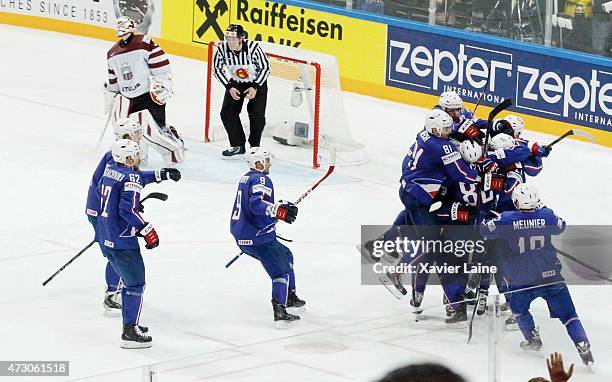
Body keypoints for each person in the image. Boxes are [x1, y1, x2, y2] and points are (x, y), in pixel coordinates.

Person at [480, 184, 594, 366]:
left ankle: (533, 341)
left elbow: (484, 230)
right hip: (550, 276)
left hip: (521, 280)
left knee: (519, 310)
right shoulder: (547, 215)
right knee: (569, 315)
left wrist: (488, 218)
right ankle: (582, 343)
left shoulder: (506, 219)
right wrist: (543, 212)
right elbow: (561, 226)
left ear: (516, 201)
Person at [86, 118, 181, 315]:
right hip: (105, 216)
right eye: (137, 132)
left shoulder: (116, 157)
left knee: (114, 256)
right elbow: (122, 194)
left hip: (103, 214)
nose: (140, 135)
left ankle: (114, 292)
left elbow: (125, 184)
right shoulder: (118, 158)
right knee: (117, 256)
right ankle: (112, 294)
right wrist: (138, 224)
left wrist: (159, 174)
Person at [97, 139, 180, 348]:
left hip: (107, 236)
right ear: (128, 158)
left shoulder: (110, 171)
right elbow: (127, 210)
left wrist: (160, 174)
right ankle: (129, 332)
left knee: (126, 281)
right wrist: (146, 228)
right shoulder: (130, 175)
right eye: (135, 155)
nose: (138, 158)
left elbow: (132, 181)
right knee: (135, 284)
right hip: (123, 241)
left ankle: (130, 322)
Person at [229, 147, 305, 328]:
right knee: (280, 271)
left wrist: (279, 206)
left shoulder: (246, 178)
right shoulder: (261, 178)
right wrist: (277, 210)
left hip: (245, 234)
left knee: (286, 255)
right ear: (258, 163)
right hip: (257, 237)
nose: (269, 163)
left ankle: (290, 297)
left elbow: (255, 204)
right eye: (267, 160)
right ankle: (280, 311)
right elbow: (256, 205)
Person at [104, 16, 184, 164]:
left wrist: (163, 84)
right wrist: (112, 94)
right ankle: (139, 156)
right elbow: (113, 80)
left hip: (149, 95)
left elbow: (162, 68)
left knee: (157, 131)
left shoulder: (144, 43)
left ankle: (175, 143)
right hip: (129, 99)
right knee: (133, 131)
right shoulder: (112, 53)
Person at [212, 24, 271, 157]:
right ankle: (238, 145)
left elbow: (266, 68)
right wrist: (229, 87)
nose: (230, 42)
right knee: (227, 113)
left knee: (257, 116)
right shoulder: (222, 49)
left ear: (241, 38)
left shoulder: (253, 48)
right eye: (228, 39)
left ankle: (255, 147)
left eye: (233, 39)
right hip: (236, 84)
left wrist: (255, 87)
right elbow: (216, 69)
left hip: (256, 83)